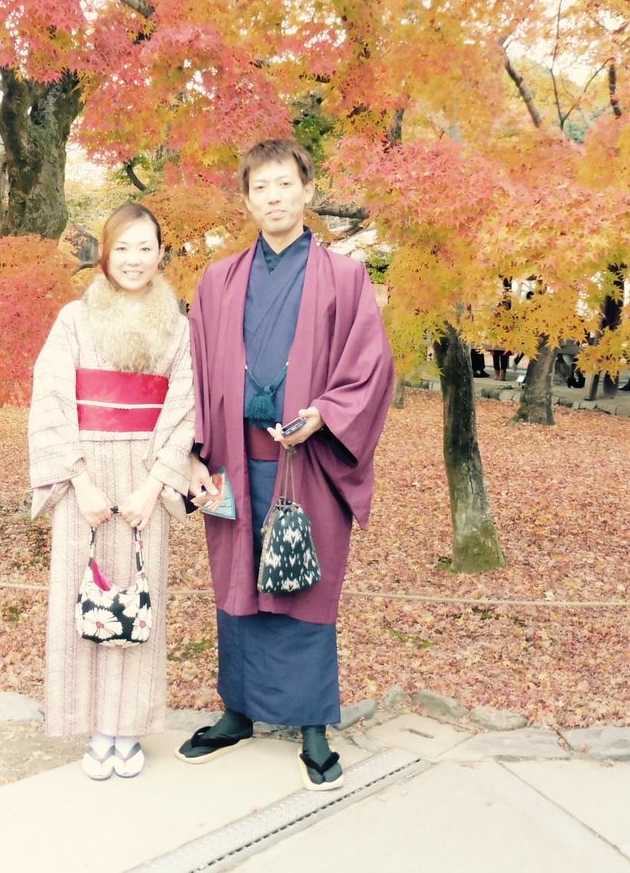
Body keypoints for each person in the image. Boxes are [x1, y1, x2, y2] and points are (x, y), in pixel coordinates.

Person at [180, 139, 395, 791]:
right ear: (247, 199)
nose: (273, 197)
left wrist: (326, 414)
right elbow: (192, 370)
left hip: (309, 461)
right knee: (237, 585)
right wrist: (192, 453)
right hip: (232, 454)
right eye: (260, 187)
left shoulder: (344, 276)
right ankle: (238, 711)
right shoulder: (218, 280)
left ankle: (311, 725)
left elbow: (370, 366)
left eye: (284, 184)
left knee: (303, 589)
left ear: (307, 190)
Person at [28, 203, 196, 780]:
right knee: (84, 599)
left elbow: (184, 409)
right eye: (122, 247)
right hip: (85, 475)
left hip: (147, 472)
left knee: (138, 599)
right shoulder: (74, 319)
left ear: (160, 254)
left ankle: (129, 730)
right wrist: (79, 481)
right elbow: (51, 399)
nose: (133, 259)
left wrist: (155, 486)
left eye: (145, 247)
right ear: (105, 252)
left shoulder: (179, 327)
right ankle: (96, 729)